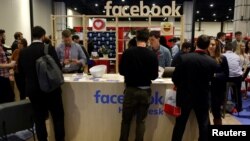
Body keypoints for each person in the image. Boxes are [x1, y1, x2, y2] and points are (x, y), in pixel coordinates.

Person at [18, 26, 65, 141]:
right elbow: (57, 67)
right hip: (51, 90)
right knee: (58, 117)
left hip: (34, 91)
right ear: (43, 36)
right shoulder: (48, 48)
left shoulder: (23, 52)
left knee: (39, 120)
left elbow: (21, 71)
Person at [171, 35, 217, 141]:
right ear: (207, 46)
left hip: (184, 96)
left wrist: (179, 85)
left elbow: (175, 77)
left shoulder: (184, 58)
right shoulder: (211, 62)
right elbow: (211, 79)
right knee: (204, 124)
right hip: (202, 97)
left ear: (196, 44)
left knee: (180, 124)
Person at [119, 28, 158, 141]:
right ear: (147, 39)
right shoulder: (152, 55)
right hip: (145, 91)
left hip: (131, 90)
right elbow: (154, 76)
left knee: (126, 121)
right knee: (141, 121)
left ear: (136, 38)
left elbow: (121, 71)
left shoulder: (128, 52)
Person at [207, 36, 229, 125]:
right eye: (209, 44)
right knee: (204, 112)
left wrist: (214, 75)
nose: (211, 46)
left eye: (213, 44)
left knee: (216, 111)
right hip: (205, 88)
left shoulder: (222, 58)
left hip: (218, 89)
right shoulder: (203, 57)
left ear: (217, 46)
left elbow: (226, 74)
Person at [223, 43, 243, 112]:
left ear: (224, 49)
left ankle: (222, 105)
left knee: (222, 90)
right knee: (238, 92)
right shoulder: (237, 56)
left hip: (227, 78)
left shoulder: (222, 56)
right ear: (232, 49)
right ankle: (239, 107)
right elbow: (240, 67)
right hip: (237, 77)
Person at [0, 29, 15, 103]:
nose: (4, 37)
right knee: (8, 98)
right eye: (3, 36)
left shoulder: (1, 47)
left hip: (4, 76)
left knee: (9, 97)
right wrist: (9, 65)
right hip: (1, 77)